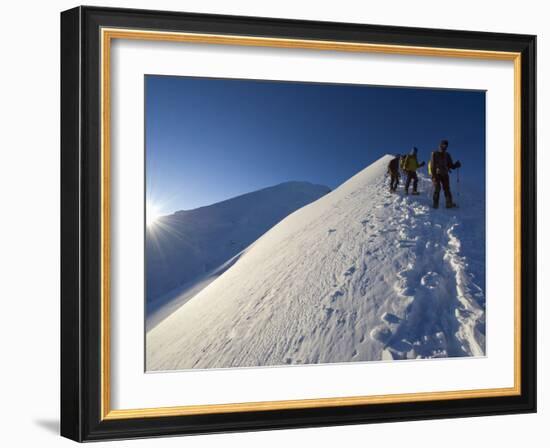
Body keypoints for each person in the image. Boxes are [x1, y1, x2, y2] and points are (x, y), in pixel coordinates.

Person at [430, 139, 462, 208]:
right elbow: (432, 165)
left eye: (446, 145)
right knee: (437, 188)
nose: (445, 146)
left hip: (445, 174)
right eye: (443, 145)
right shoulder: (434, 153)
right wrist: (433, 176)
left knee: (447, 189)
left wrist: (456, 165)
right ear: (440, 145)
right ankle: (435, 204)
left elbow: (451, 165)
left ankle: (449, 203)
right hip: (437, 174)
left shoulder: (447, 155)